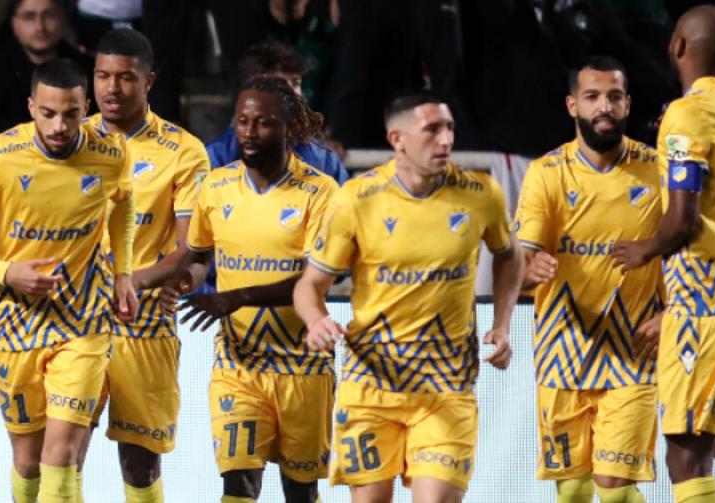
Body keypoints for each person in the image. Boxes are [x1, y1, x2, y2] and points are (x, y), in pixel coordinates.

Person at [293, 89, 522, 503]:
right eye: (432, 130)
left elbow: (510, 255)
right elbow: (310, 285)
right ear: (397, 140)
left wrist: (502, 324)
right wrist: (315, 320)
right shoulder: (356, 200)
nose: (446, 140)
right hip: (371, 385)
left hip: (446, 386)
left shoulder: (481, 194)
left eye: (449, 128)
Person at [0, 58, 138, 503]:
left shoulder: (111, 153)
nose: (59, 125)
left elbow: (123, 202)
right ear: (31, 107)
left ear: (86, 108)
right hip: (16, 324)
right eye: (48, 113)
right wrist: (6, 272)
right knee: (27, 461)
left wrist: (123, 271)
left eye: (71, 113)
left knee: (61, 454)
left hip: (83, 322)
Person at [147, 74, 338, 503]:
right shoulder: (216, 187)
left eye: (263, 123)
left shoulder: (320, 193)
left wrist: (237, 297)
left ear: (289, 127)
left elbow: (315, 279)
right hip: (239, 364)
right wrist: (184, 282)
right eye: (243, 121)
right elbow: (200, 258)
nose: (249, 133)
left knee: (301, 491)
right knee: (238, 484)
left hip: (303, 367)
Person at [613, 5, 715, 503]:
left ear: (678, 46)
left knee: (685, 453)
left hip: (704, 302)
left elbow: (683, 219)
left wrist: (645, 250)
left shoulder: (687, 114)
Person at [71, 28, 209, 503]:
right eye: (102, 76)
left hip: (145, 324)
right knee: (63, 451)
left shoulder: (183, 150)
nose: (111, 88)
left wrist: (130, 282)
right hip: (78, 322)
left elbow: (191, 248)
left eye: (125, 77)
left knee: (140, 462)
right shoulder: (71, 140)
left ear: (148, 82)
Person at [517, 56, 661, 503]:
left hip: (634, 351)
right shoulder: (547, 173)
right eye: (592, 97)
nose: (604, 107)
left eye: (614, 97)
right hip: (562, 352)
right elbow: (522, 256)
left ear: (627, 104)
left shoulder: (657, 169)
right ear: (572, 105)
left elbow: (684, 249)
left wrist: (673, 312)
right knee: (574, 493)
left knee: (615, 489)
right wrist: (529, 269)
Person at [206, 41, 349, 185]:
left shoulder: (323, 158)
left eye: (296, 83)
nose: (294, 94)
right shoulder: (216, 157)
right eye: (283, 85)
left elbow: (345, 198)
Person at [0, 0, 93, 141]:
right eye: (29, 17)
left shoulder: (86, 68)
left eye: (49, 15)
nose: (40, 27)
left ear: (63, 17)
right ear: (14, 22)